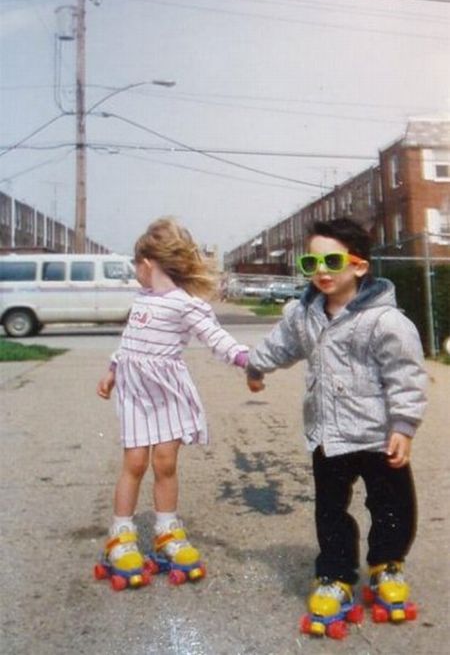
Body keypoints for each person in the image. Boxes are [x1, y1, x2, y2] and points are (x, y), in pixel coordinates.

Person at [246, 218, 427, 634]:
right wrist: (257, 365)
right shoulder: (303, 315)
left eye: (331, 260)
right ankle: (336, 573)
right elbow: (281, 345)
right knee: (330, 509)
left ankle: (387, 565)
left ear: (359, 266)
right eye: (312, 261)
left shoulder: (386, 322)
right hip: (327, 432)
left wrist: (403, 425)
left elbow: (406, 375)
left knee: (391, 505)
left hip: (379, 434)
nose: (321, 270)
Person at [97, 217, 248, 586]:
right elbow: (129, 342)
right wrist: (113, 369)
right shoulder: (141, 301)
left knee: (165, 463)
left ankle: (166, 529)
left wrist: (245, 359)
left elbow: (216, 337)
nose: (136, 271)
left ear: (147, 263)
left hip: (166, 393)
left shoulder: (185, 304)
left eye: (136, 265)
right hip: (135, 392)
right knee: (134, 462)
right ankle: (121, 533)